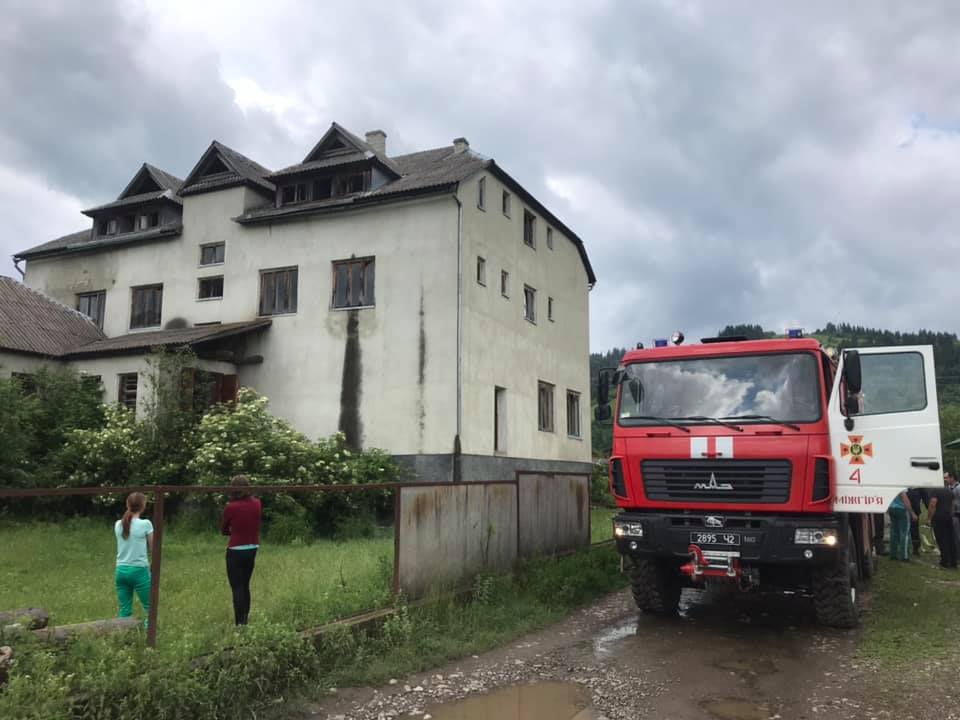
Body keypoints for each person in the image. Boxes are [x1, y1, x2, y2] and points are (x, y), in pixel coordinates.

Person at [221, 475, 262, 625]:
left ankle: (240, 624)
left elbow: (223, 529)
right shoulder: (257, 503)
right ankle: (245, 619)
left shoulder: (231, 507)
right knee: (245, 584)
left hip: (236, 548)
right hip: (253, 547)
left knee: (237, 587)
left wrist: (232, 531)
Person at [114, 491, 153, 626]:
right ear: (143, 506)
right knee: (150, 607)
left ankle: (123, 633)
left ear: (127, 505)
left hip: (121, 570)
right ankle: (148, 633)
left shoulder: (118, 524)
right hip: (139, 570)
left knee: (124, 610)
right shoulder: (146, 524)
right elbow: (153, 548)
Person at [928, 476, 958, 570]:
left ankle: (945, 561)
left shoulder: (935, 490)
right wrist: (951, 514)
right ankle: (953, 561)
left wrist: (929, 518)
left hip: (938, 517)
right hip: (948, 517)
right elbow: (953, 504)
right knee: (950, 538)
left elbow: (933, 504)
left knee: (941, 539)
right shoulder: (949, 490)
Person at [887, 489, 916, 562]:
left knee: (894, 532)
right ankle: (904, 556)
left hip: (892, 508)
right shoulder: (901, 487)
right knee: (904, 533)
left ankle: (893, 554)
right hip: (901, 509)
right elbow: (905, 499)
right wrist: (912, 513)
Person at [906, 487, 929, 555]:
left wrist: (929, 509)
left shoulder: (919, 486)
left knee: (914, 529)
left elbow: (925, 498)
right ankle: (907, 547)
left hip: (914, 509)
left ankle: (915, 548)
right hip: (905, 509)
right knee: (906, 529)